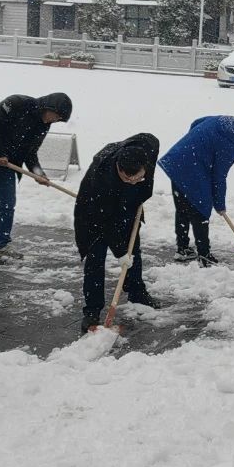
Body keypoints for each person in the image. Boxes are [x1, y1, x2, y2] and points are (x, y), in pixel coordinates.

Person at [0, 92, 72, 263]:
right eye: (56, 116)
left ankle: (2, 246)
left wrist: (38, 173)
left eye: (58, 119)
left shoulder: (43, 126)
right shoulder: (16, 103)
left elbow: (31, 152)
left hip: (6, 164)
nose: (54, 120)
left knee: (8, 203)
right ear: (48, 107)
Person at [74, 133, 161, 334]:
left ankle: (137, 292)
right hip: (94, 213)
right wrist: (121, 252)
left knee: (133, 246)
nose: (132, 181)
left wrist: (141, 189)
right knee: (96, 255)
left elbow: (151, 140)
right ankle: (93, 310)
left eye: (137, 177)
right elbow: (106, 222)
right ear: (118, 169)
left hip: (127, 204)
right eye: (127, 178)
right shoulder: (101, 180)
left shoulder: (148, 148)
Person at [158, 114, 234, 266]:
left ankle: (182, 249)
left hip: (178, 160)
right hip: (192, 168)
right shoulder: (229, 142)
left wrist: (197, 145)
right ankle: (204, 255)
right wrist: (219, 204)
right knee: (201, 209)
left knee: (183, 207)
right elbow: (219, 176)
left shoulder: (223, 120)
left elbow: (196, 122)